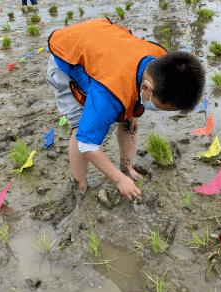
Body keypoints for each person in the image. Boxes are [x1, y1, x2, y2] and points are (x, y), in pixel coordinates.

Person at [47, 18, 205, 201]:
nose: (157, 110)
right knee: (80, 126)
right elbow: (87, 143)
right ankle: (79, 185)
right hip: (66, 54)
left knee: (129, 116)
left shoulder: (161, 60)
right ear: (146, 88)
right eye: (160, 107)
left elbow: (133, 104)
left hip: (105, 43)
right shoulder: (109, 93)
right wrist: (118, 179)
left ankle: (127, 165)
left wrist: (126, 169)